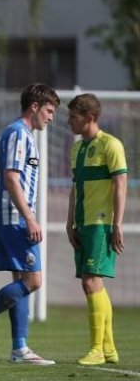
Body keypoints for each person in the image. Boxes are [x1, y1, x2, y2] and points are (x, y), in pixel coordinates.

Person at [0, 83, 60, 366]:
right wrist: (30, 217)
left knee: (22, 280)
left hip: (14, 218)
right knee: (34, 280)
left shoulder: (23, 135)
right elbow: (10, 177)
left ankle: (20, 348)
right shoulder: (18, 134)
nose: (51, 117)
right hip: (16, 219)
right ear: (34, 106)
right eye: (49, 110)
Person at [65, 93, 127, 366]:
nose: (69, 122)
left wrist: (117, 224)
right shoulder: (77, 149)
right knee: (91, 283)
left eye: (73, 117)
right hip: (82, 224)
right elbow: (75, 188)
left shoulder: (111, 145)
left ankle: (97, 350)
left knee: (91, 281)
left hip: (101, 224)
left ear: (89, 118)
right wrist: (69, 223)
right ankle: (109, 348)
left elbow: (121, 185)